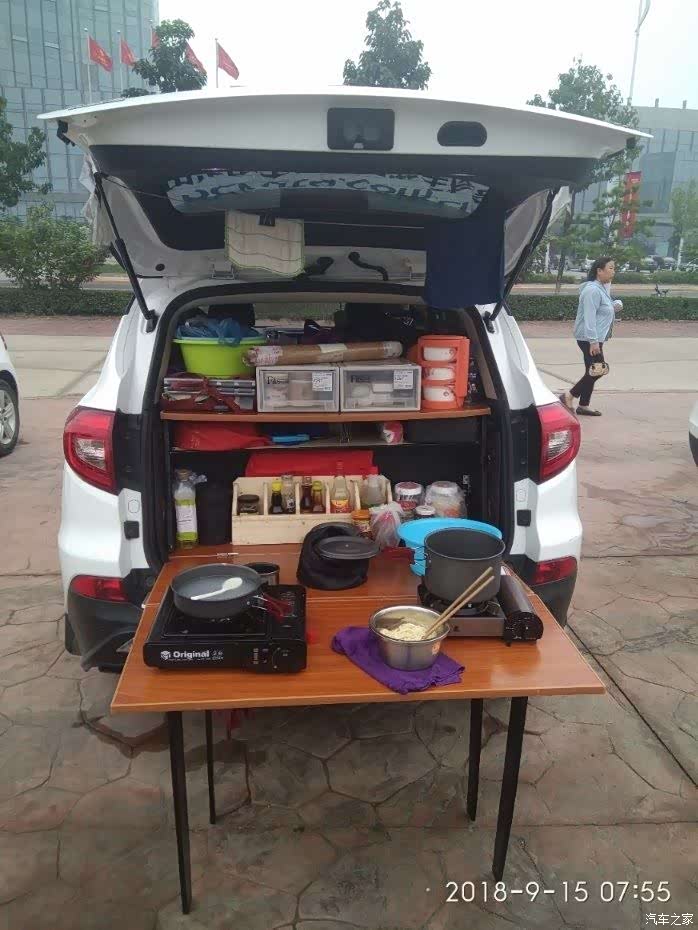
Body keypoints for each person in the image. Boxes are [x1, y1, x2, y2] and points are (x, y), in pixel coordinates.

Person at [561, 257, 616, 417]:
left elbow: (603, 309)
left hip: (595, 338)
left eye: (614, 268)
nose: (613, 271)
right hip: (589, 339)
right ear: (599, 271)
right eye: (611, 268)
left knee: (591, 371)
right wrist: (593, 341)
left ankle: (583, 405)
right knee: (598, 370)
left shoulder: (600, 288)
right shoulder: (592, 290)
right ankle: (568, 395)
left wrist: (615, 306)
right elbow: (589, 317)